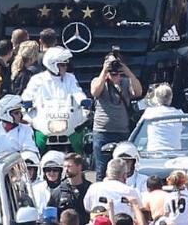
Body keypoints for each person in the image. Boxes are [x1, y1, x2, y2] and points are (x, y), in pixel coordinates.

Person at [21, 47, 87, 153]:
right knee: (38, 142)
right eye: (62, 65)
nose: (65, 67)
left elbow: (77, 91)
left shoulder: (70, 78)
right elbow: (28, 94)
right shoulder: (37, 79)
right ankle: (35, 160)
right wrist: (26, 101)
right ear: (52, 65)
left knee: (78, 140)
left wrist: (83, 100)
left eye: (66, 65)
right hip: (44, 121)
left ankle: (82, 161)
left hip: (68, 120)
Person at [91, 51, 143, 180]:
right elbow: (95, 92)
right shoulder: (98, 81)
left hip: (122, 132)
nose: (115, 73)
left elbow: (138, 92)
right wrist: (104, 71)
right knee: (102, 169)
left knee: (123, 168)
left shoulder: (125, 83)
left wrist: (127, 71)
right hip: (103, 132)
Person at [47, 153, 92, 223]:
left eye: (69, 166)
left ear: (79, 167)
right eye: (64, 166)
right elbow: (50, 218)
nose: (66, 170)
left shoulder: (90, 189)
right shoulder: (58, 191)